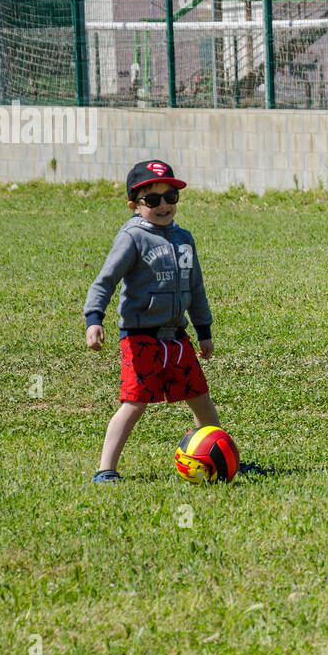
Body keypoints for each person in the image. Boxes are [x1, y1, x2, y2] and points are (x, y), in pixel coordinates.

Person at [84, 160, 218, 483]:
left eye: (170, 197)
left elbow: (196, 288)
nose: (164, 206)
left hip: (177, 337)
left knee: (201, 398)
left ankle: (219, 456)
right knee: (134, 403)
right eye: (153, 199)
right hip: (140, 338)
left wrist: (204, 330)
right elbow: (106, 280)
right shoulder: (132, 238)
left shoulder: (184, 239)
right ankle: (106, 469)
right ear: (133, 205)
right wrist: (94, 318)